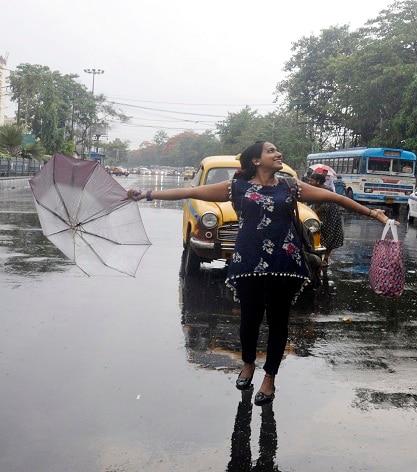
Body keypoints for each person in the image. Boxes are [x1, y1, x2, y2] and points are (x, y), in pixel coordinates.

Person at [127, 141, 394, 406]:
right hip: (248, 262)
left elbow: (335, 198)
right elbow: (191, 191)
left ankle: (269, 377)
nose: (278, 153)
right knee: (249, 320)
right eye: (271, 151)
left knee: (279, 322)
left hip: (284, 263)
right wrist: (146, 195)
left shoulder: (291, 186)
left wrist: (373, 213)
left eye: (278, 150)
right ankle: (247, 364)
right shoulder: (236, 187)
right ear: (255, 160)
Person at [308, 172, 344, 269]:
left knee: (329, 236)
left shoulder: (327, 190)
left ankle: (326, 259)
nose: (310, 182)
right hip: (319, 215)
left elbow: (325, 206)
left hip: (330, 216)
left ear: (318, 181)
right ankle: (319, 257)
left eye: (312, 180)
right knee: (318, 236)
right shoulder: (315, 189)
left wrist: (313, 211)